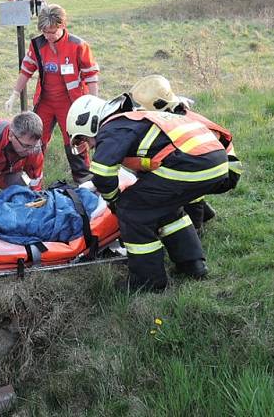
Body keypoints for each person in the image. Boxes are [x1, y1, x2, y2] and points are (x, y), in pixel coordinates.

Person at [67, 94, 231, 291]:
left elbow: (102, 174)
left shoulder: (113, 127)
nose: (90, 145)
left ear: (91, 122)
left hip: (191, 163)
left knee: (131, 210)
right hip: (216, 162)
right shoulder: (134, 118)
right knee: (164, 207)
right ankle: (193, 265)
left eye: (84, 139)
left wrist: (115, 201)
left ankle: (148, 281)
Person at [129, 74, 243, 235]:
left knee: (185, 177)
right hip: (217, 166)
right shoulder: (176, 114)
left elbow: (196, 163)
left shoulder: (181, 120)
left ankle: (195, 227)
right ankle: (206, 214)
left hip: (226, 171)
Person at [5, 4, 99, 184]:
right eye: (44, 32)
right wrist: (15, 94)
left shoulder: (78, 46)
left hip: (71, 103)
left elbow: (91, 75)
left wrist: (93, 103)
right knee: (34, 138)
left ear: (62, 25)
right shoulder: (38, 44)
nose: (47, 36)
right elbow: (26, 70)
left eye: (51, 32)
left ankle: (84, 180)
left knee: (75, 141)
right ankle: (31, 178)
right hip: (45, 102)